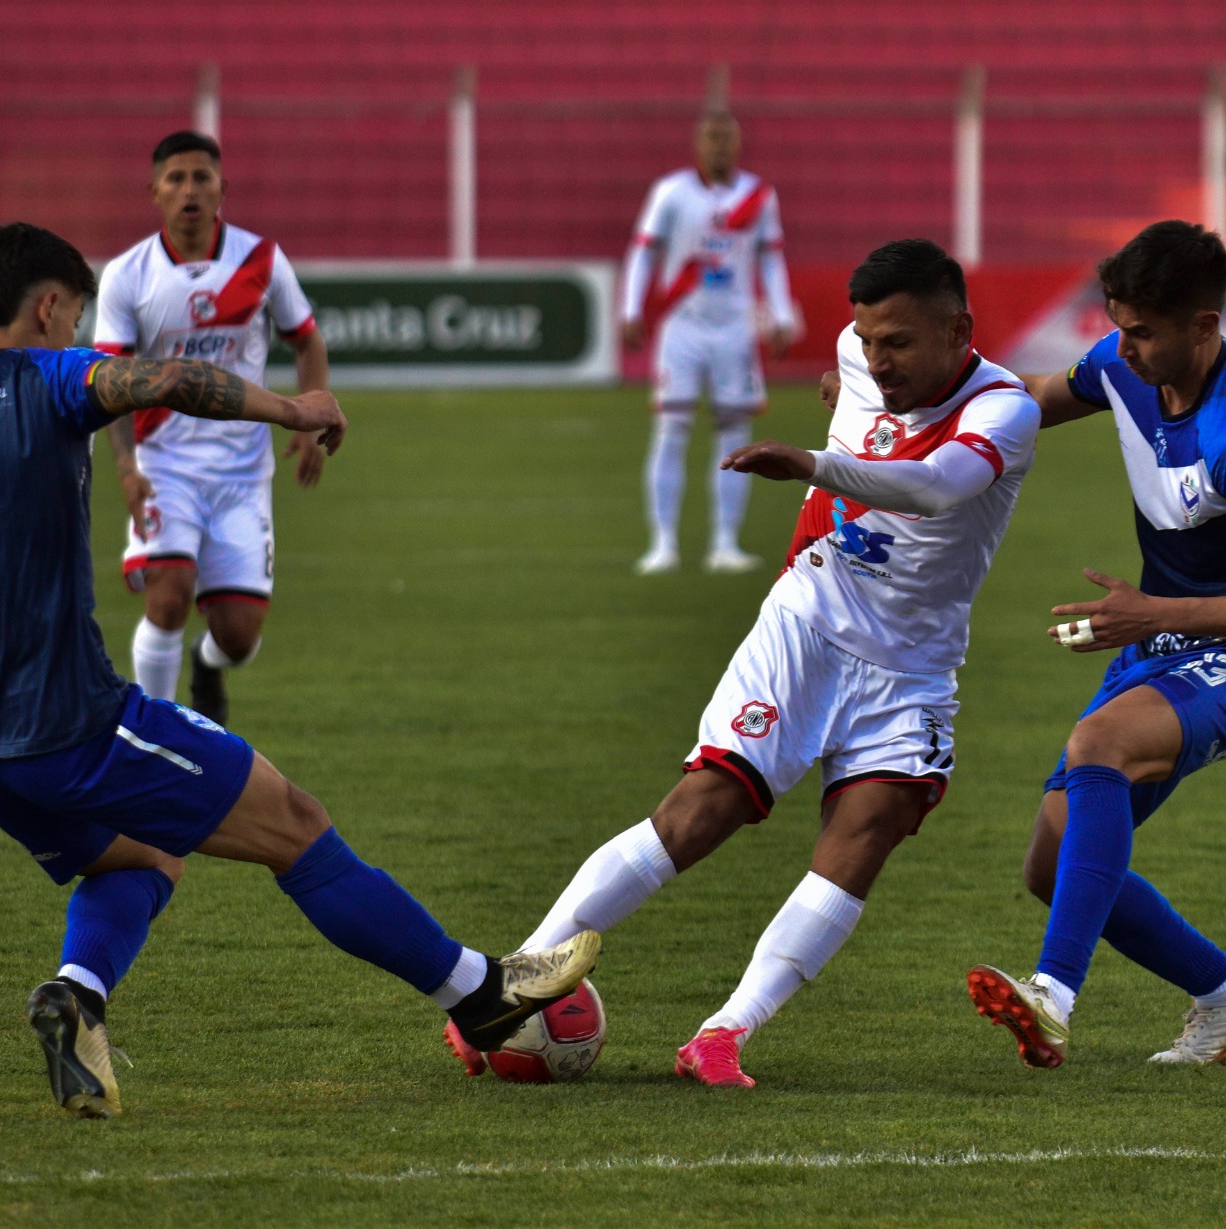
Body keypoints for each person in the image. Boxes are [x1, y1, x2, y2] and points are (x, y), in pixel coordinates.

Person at [0, 222, 598, 1118]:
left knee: (147, 853)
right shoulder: (54, 378)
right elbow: (174, 379)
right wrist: (297, 408)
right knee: (296, 823)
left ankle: (78, 996)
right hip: (75, 726)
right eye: (70, 321)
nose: (73, 337)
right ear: (50, 308)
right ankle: (481, 995)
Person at [444, 240, 1040, 1086]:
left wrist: (815, 461)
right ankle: (509, 986)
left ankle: (724, 1031)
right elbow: (853, 382)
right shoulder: (855, 354)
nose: (877, 360)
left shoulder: (1003, 411)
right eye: (867, 341)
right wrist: (848, 389)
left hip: (912, 668)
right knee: (700, 812)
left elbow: (938, 484)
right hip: (807, 621)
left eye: (899, 343)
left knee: (861, 839)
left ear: (959, 330)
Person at [966, 221, 1226, 1069]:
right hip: (1164, 634)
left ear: (1204, 327)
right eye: (1117, 325)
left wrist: (1153, 615)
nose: (1120, 349)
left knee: (1099, 743)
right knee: (1051, 868)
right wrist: (910, 410)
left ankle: (1052, 995)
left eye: (1141, 332)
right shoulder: (1123, 369)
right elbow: (1024, 407)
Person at [96, 130, 331, 727]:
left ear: (223, 188)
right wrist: (125, 469)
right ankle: (157, 735)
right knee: (168, 597)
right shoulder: (127, 275)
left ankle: (207, 665)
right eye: (175, 178)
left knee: (239, 638)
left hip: (242, 474)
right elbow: (110, 381)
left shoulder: (261, 261)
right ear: (154, 192)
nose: (189, 189)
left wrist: (309, 417)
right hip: (163, 465)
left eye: (202, 177)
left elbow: (306, 340)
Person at [620, 110, 797, 576]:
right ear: (697, 145)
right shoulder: (671, 193)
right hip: (682, 327)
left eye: (726, 138)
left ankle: (725, 544)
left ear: (738, 145)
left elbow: (771, 258)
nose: (719, 147)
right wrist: (630, 310)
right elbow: (643, 251)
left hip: (735, 330)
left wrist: (780, 314)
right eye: (711, 138)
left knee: (734, 434)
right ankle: (662, 544)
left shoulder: (758, 196)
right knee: (672, 429)